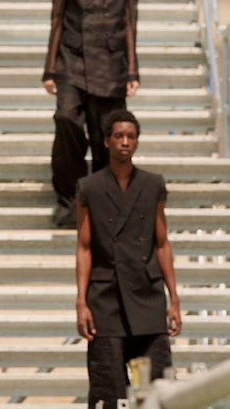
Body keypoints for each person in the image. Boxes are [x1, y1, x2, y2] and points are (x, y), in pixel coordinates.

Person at [42, 0, 141, 229]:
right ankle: (68, 199)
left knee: (108, 134)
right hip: (72, 59)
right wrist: (49, 67)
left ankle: (103, 202)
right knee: (66, 119)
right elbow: (56, 17)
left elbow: (130, 21)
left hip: (112, 64)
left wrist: (132, 70)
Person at [75, 109, 182, 409]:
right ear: (106, 140)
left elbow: (162, 243)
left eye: (131, 136)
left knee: (158, 389)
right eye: (119, 136)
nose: (125, 141)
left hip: (147, 297)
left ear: (137, 142)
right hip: (105, 300)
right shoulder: (89, 187)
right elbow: (84, 247)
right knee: (108, 393)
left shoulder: (153, 184)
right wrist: (81, 302)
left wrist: (174, 299)